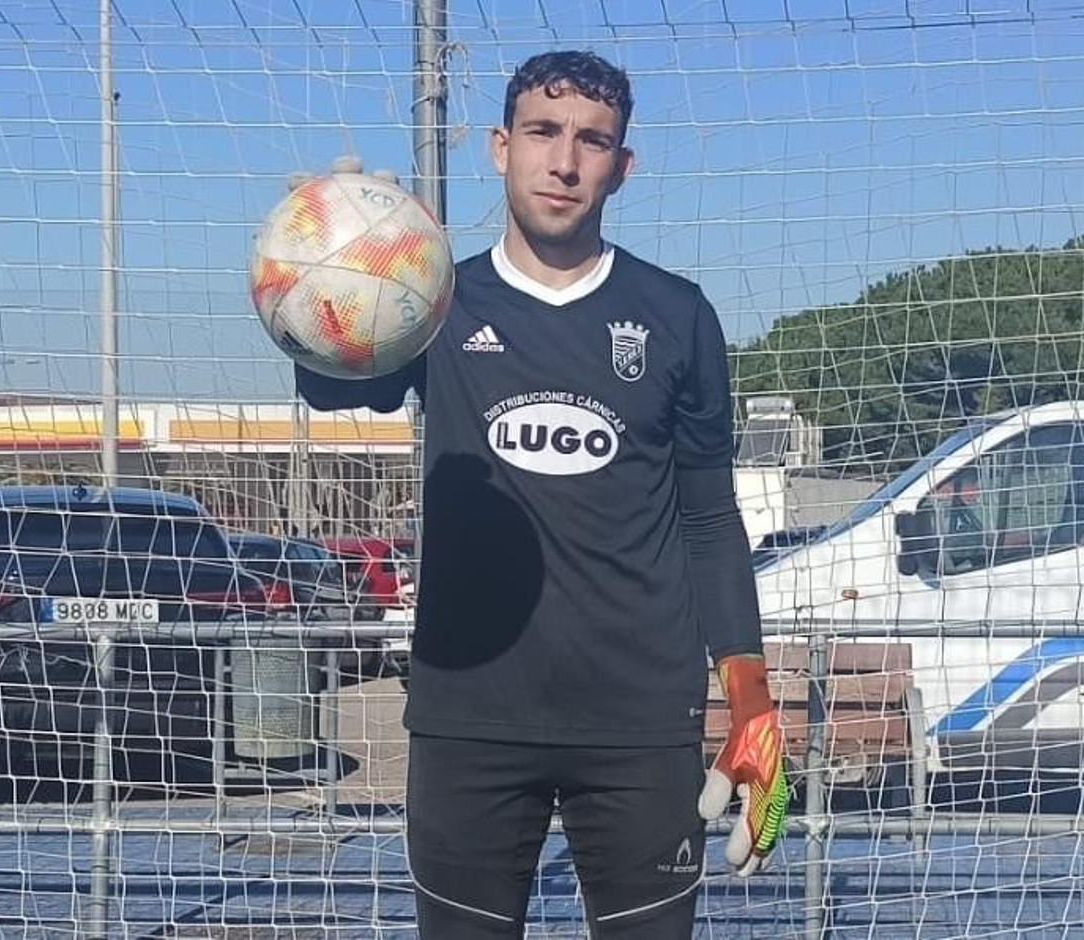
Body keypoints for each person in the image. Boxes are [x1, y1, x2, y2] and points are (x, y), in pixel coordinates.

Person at [290, 49, 789, 939]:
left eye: (593, 141)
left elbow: (710, 518)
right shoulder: (432, 303)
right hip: (470, 715)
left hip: (639, 721)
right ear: (500, 146)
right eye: (543, 131)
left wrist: (749, 695)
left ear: (622, 167)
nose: (565, 161)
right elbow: (337, 385)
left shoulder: (677, 316)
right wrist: (325, 269)